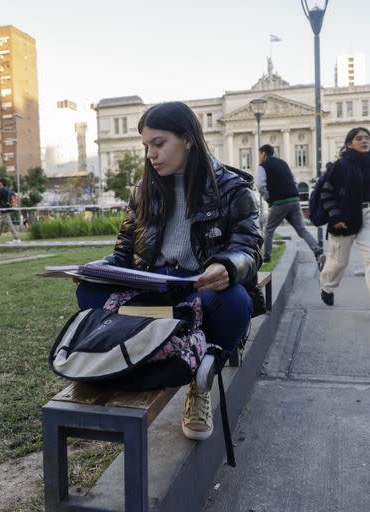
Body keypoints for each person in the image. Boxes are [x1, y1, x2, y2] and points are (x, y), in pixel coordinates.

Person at [75, 101, 263, 441]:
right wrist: (96, 270)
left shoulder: (233, 190)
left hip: (201, 289)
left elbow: (249, 248)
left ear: (188, 139)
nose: (150, 154)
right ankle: (146, 349)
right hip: (155, 291)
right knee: (87, 291)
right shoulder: (143, 191)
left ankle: (200, 377)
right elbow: (123, 254)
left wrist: (228, 266)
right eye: (146, 146)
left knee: (235, 301)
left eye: (159, 144)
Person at [318, 127, 370, 319]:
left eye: (367, 138)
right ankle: (326, 287)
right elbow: (326, 193)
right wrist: (335, 217)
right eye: (359, 138)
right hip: (344, 217)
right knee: (339, 262)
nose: (365, 141)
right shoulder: (341, 165)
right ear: (349, 144)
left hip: (367, 214)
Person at [256, 144, 325, 269]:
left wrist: (269, 199)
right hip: (294, 199)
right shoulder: (283, 163)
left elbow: (260, 186)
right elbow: (295, 180)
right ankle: (317, 251)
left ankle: (266, 257)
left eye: (259, 154)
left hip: (279, 202)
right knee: (302, 230)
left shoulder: (262, 166)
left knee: (269, 229)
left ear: (264, 154)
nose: (259, 157)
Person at [0, 177, 21, 243]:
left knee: (9, 223)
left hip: (4, 208)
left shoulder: (1, 190)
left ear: (1, 183)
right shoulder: (8, 189)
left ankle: (16, 238)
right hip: (8, 207)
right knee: (1, 224)